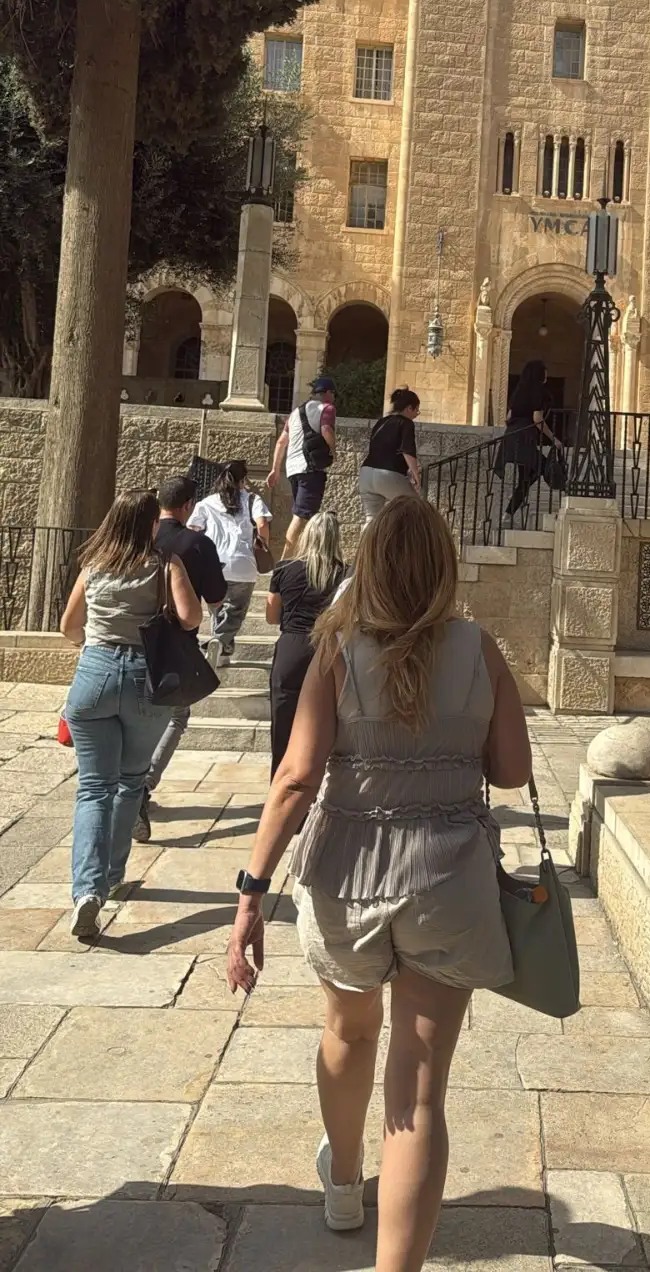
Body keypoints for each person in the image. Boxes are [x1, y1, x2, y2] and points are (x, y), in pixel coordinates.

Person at [226, 495, 532, 1271]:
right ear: (443, 567)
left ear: (369, 565)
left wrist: (251, 891)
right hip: (448, 876)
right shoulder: (479, 648)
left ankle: (345, 1179)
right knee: (420, 1088)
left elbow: (296, 778)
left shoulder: (337, 648)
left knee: (348, 1030)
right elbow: (512, 770)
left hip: (346, 874)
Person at [59, 491, 202, 938]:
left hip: (94, 674)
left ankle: (86, 890)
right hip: (145, 678)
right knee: (130, 780)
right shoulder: (165, 564)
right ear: (151, 525)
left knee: (93, 788)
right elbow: (191, 617)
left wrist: (96, 641)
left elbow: (69, 626)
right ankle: (112, 875)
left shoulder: (94, 564)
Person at [133, 476, 228, 843]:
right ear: (189, 505)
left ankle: (127, 787)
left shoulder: (137, 539)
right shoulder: (197, 543)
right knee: (177, 716)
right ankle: (142, 785)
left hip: (132, 639)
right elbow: (216, 597)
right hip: (174, 644)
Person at [266, 510, 346, 778]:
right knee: (326, 723)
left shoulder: (283, 569)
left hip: (291, 648)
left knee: (283, 726)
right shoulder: (345, 573)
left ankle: (280, 784)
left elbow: (271, 616)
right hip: (326, 649)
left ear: (307, 535)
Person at [188, 460, 272, 667]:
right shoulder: (252, 499)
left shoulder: (207, 502)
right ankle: (220, 641)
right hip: (243, 563)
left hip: (213, 563)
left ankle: (222, 653)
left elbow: (193, 529)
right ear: (243, 479)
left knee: (217, 608)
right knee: (235, 610)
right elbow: (262, 523)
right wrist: (263, 544)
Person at [267, 376, 336, 559]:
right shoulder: (326, 408)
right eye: (333, 394)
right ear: (328, 393)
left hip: (293, 470)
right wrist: (333, 451)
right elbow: (326, 430)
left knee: (307, 515)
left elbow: (281, 442)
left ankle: (301, 558)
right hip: (310, 469)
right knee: (301, 515)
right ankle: (284, 561)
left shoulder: (295, 413)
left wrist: (275, 469)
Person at [495, 359, 563, 524]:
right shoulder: (538, 392)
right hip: (524, 439)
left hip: (512, 437)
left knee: (527, 476)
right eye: (544, 372)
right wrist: (554, 438)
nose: (546, 375)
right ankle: (565, 494)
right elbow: (537, 419)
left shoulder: (519, 391)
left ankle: (510, 509)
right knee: (543, 467)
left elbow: (508, 417)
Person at [358, 386, 421, 527]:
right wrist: (416, 477)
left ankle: (366, 542)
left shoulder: (381, 422)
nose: (416, 414)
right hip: (388, 474)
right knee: (415, 508)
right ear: (409, 408)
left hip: (366, 473)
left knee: (371, 519)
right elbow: (407, 451)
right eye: (416, 410)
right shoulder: (406, 423)